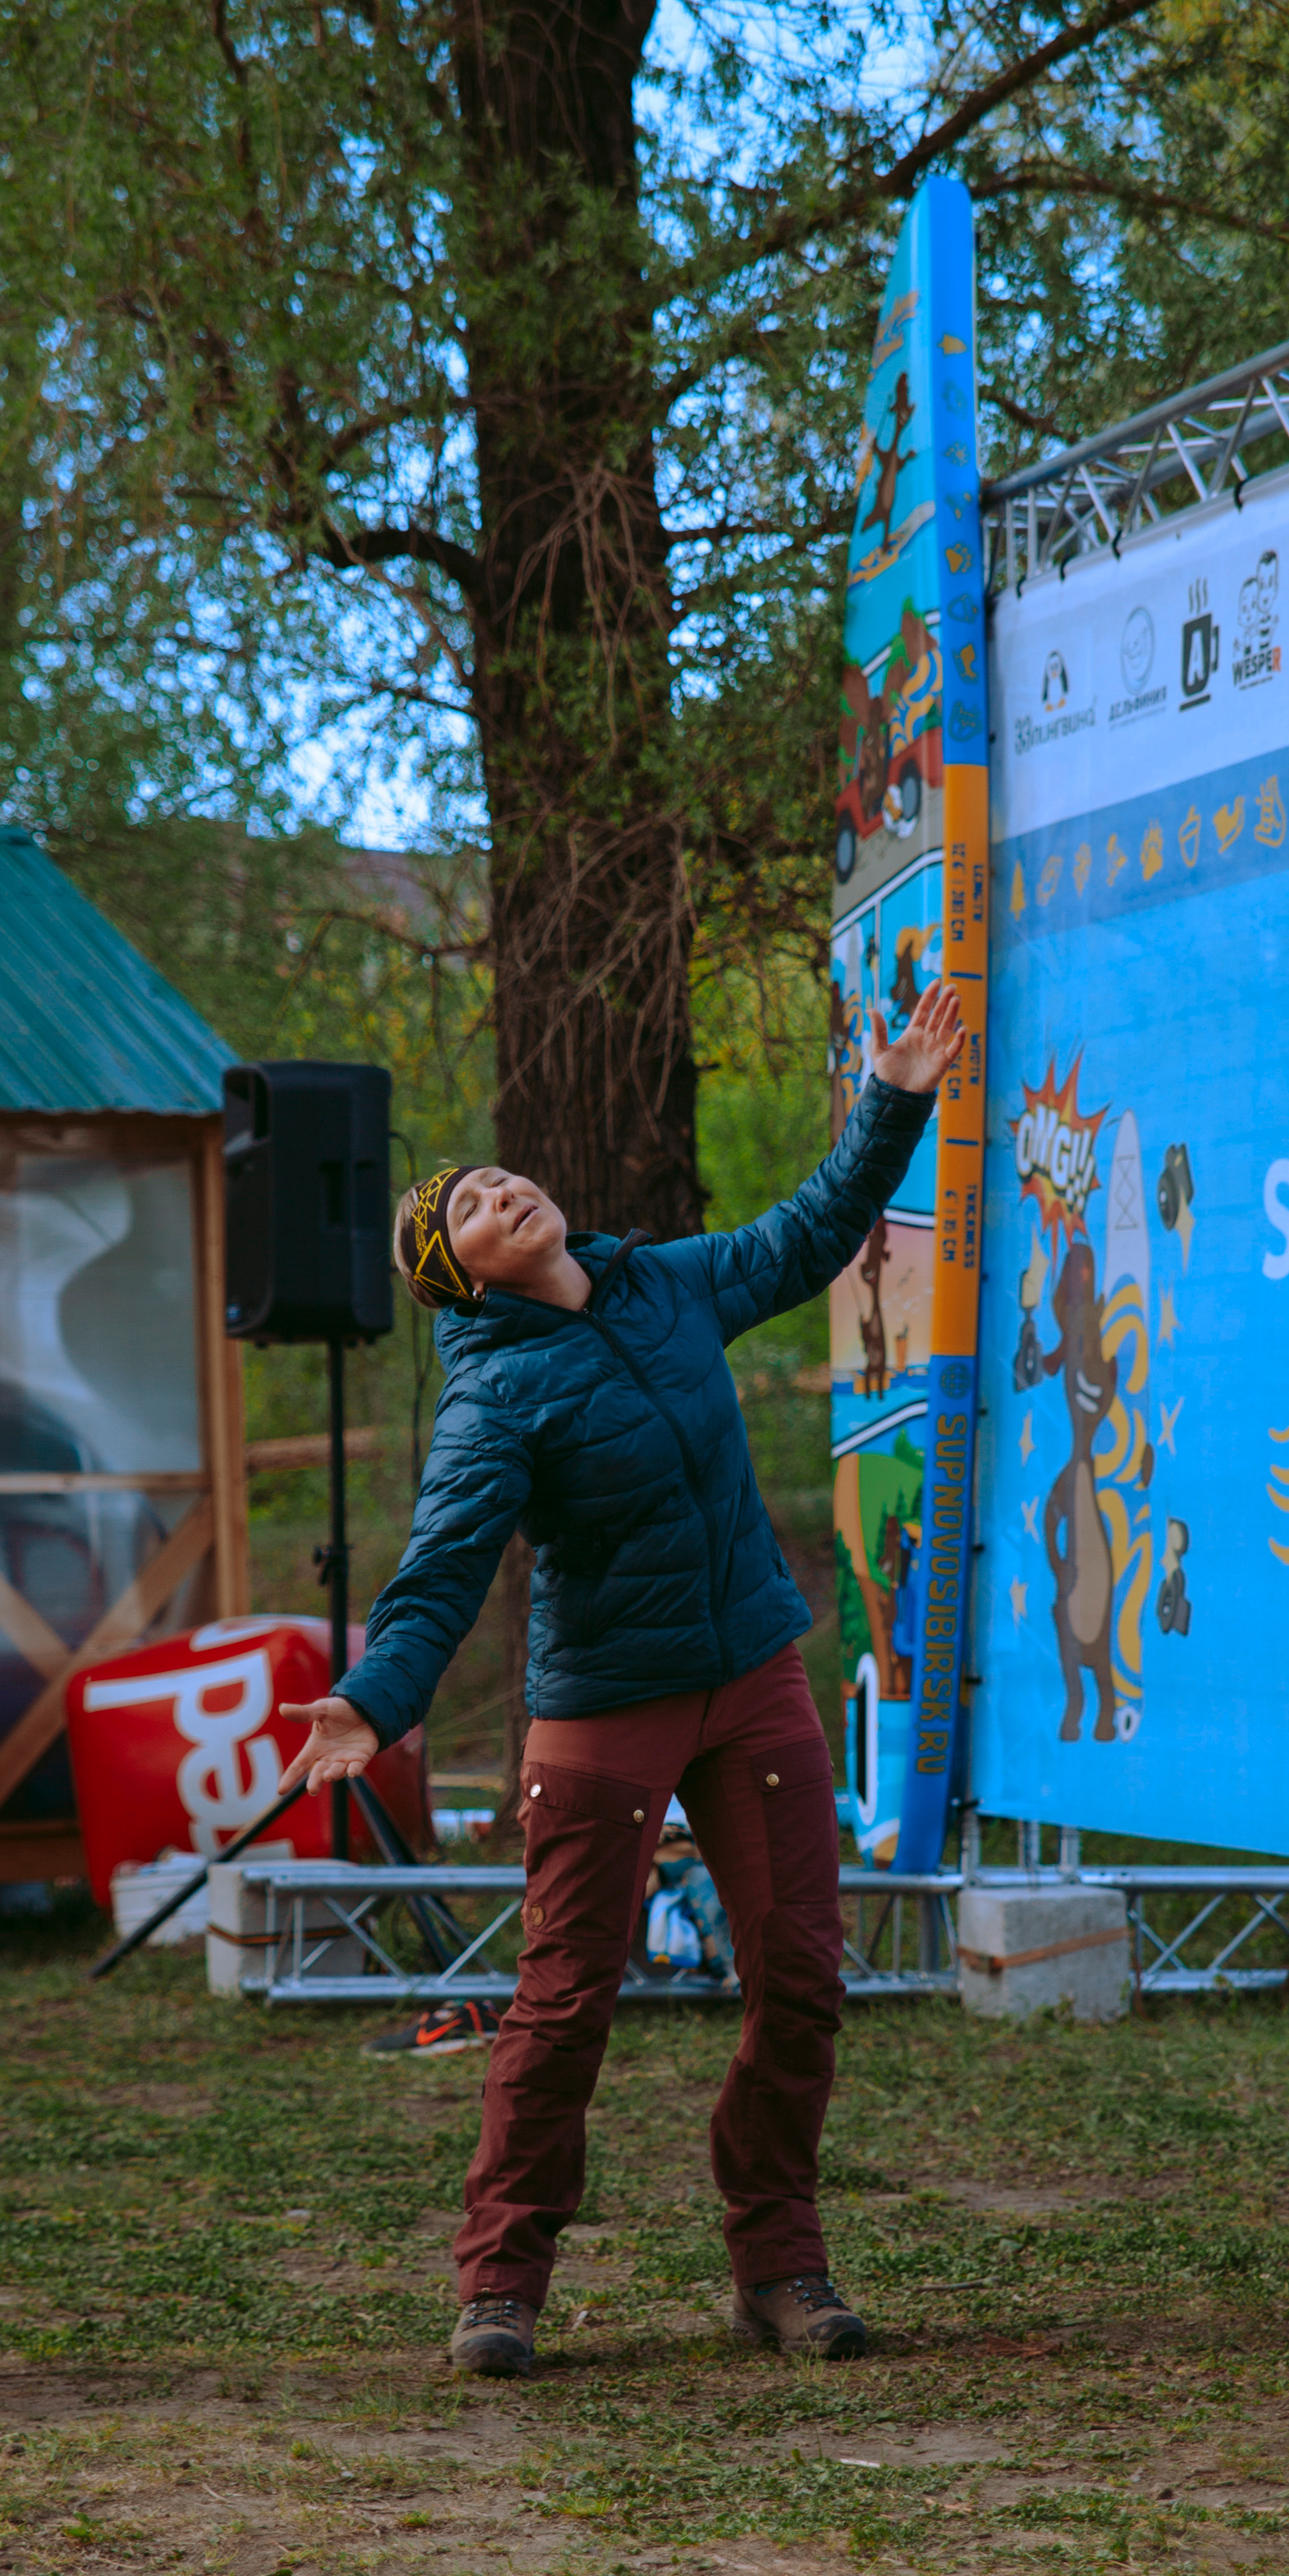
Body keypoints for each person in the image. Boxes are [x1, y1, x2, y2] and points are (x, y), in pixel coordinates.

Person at [281, 976, 966, 2376]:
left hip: (752, 1674)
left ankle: (778, 2261)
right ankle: (499, 2282)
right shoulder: (492, 1392)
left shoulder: (664, 1279)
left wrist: (893, 1099)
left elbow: (811, 1233)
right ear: (454, 1276)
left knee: (799, 1973)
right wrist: (376, 1695)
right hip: (602, 1704)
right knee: (566, 1995)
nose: (499, 1192)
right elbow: (446, 1563)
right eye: (466, 1207)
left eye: (497, 1176)